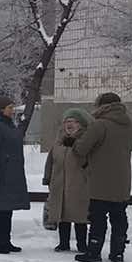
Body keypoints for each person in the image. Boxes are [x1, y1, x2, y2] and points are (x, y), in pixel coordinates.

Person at [71, 92, 132, 262]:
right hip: (122, 182)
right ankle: (118, 253)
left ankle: (94, 253)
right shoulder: (130, 125)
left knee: (98, 219)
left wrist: (76, 141)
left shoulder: (99, 125)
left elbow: (81, 149)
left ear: (102, 106)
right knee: (119, 218)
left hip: (100, 183)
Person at [0, 94, 29, 255]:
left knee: (6, 210)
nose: (12, 110)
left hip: (9, 175)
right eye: (10, 107)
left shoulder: (8, 125)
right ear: (1, 109)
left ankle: (5, 241)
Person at [43, 108, 92, 253]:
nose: (69, 125)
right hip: (59, 183)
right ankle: (63, 243)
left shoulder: (86, 140)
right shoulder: (59, 140)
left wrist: (76, 147)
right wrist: (47, 178)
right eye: (67, 122)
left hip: (79, 185)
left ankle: (82, 245)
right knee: (62, 214)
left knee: (79, 216)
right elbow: (50, 161)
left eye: (73, 121)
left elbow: (89, 162)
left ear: (81, 124)